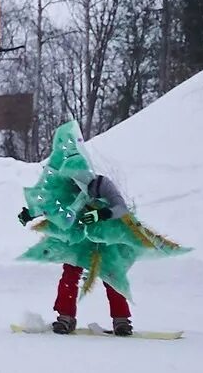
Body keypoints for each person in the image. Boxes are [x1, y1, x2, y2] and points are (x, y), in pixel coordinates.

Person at [19, 121, 185, 335]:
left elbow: (120, 208)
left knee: (112, 274)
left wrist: (100, 213)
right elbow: (52, 206)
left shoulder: (100, 184)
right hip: (78, 241)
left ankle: (121, 320)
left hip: (106, 238)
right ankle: (65, 317)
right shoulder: (65, 186)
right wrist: (30, 214)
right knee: (70, 273)